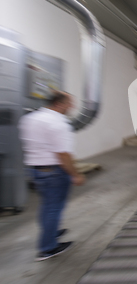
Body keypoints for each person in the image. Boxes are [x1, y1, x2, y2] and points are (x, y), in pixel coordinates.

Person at [18, 91, 85, 261]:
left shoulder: (30, 118)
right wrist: (75, 174)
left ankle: (52, 231)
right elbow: (63, 155)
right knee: (54, 207)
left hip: (35, 170)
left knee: (47, 205)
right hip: (54, 172)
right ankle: (47, 248)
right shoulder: (59, 123)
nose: (72, 107)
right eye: (69, 103)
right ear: (59, 104)